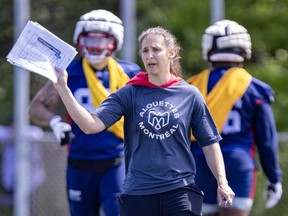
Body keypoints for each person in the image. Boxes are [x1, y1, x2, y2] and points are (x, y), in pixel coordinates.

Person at [51, 26, 235, 216]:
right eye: (145, 51)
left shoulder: (189, 94)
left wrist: (222, 182)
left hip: (180, 190)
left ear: (171, 53)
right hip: (138, 193)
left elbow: (210, 142)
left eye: (156, 50)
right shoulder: (129, 93)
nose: (149, 56)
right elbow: (90, 125)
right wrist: (63, 88)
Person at [28, 9, 141, 216]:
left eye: (101, 40)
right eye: (90, 40)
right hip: (79, 161)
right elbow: (35, 107)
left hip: (117, 161)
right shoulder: (68, 71)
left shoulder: (130, 73)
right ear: (79, 40)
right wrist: (55, 121)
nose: (95, 47)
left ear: (115, 41)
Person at [187, 19, 283, 216]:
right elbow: (267, 140)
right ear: (244, 48)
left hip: (200, 161)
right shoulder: (255, 88)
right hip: (238, 161)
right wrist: (274, 177)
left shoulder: (191, 86)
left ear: (208, 47)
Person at [0, 116, 45, 201]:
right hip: (11, 179)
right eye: (11, 125)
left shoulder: (31, 132)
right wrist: (12, 134)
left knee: (30, 206)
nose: (13, 127)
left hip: (32, 179)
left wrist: (18, 134)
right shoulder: (7, 133)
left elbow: (38, 134)